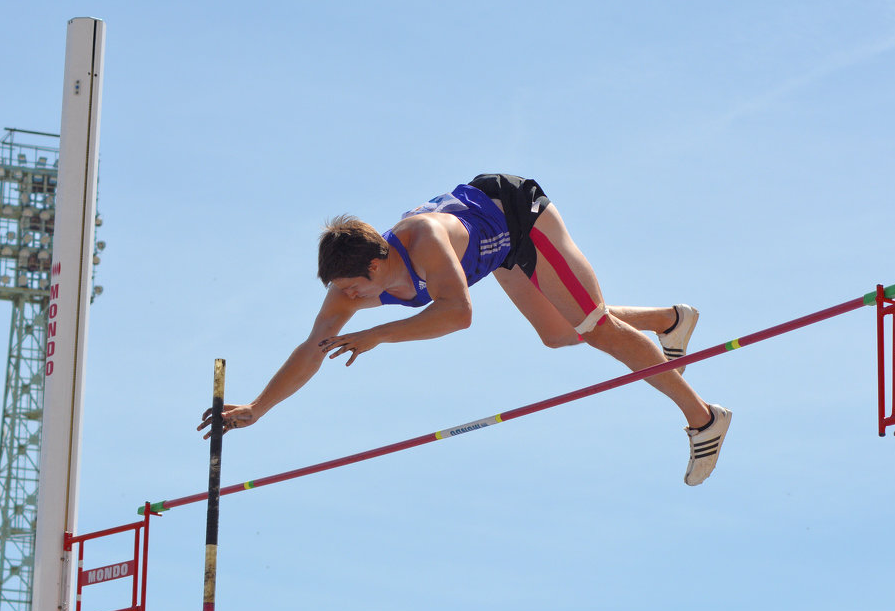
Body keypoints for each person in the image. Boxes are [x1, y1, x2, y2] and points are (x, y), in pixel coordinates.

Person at [198, 174, 731, 485]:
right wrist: (257, 408)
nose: (348, 300)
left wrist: (378, 334)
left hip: (519, 217)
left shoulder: (424, 240)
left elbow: (459, 315)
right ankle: (670, 321)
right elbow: (312, 348)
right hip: (490, 253)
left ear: (379, 264)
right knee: (561, 334)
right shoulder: (345, 288)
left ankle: (704, 417)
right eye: (341, 291)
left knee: (594, 327)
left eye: (355, 289)